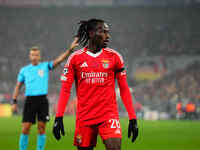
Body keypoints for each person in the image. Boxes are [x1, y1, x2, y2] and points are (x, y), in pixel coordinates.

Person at [53, 19, 139, 150]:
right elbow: (65, 90)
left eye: (108, 32)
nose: (107, 36)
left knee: (115, 148)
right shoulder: (75, 58)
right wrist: (58, 117)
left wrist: (132, 118)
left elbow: (124, 89)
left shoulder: (115, 57)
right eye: (103, 32)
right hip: (85, 117)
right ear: (91, 33)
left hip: (108, 115)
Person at [12, 38, 79, 150]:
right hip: (30, 100)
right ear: (30, 56)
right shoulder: (24, 70)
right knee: (25, 128)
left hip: (42, 100)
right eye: (32, 55)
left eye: (36, 55)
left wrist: (70, 50)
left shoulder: (45, 66)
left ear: (39, 56)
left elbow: (59, 60)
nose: (34, 57)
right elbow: (18, 86)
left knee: (41, 127)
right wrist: (14, 101)